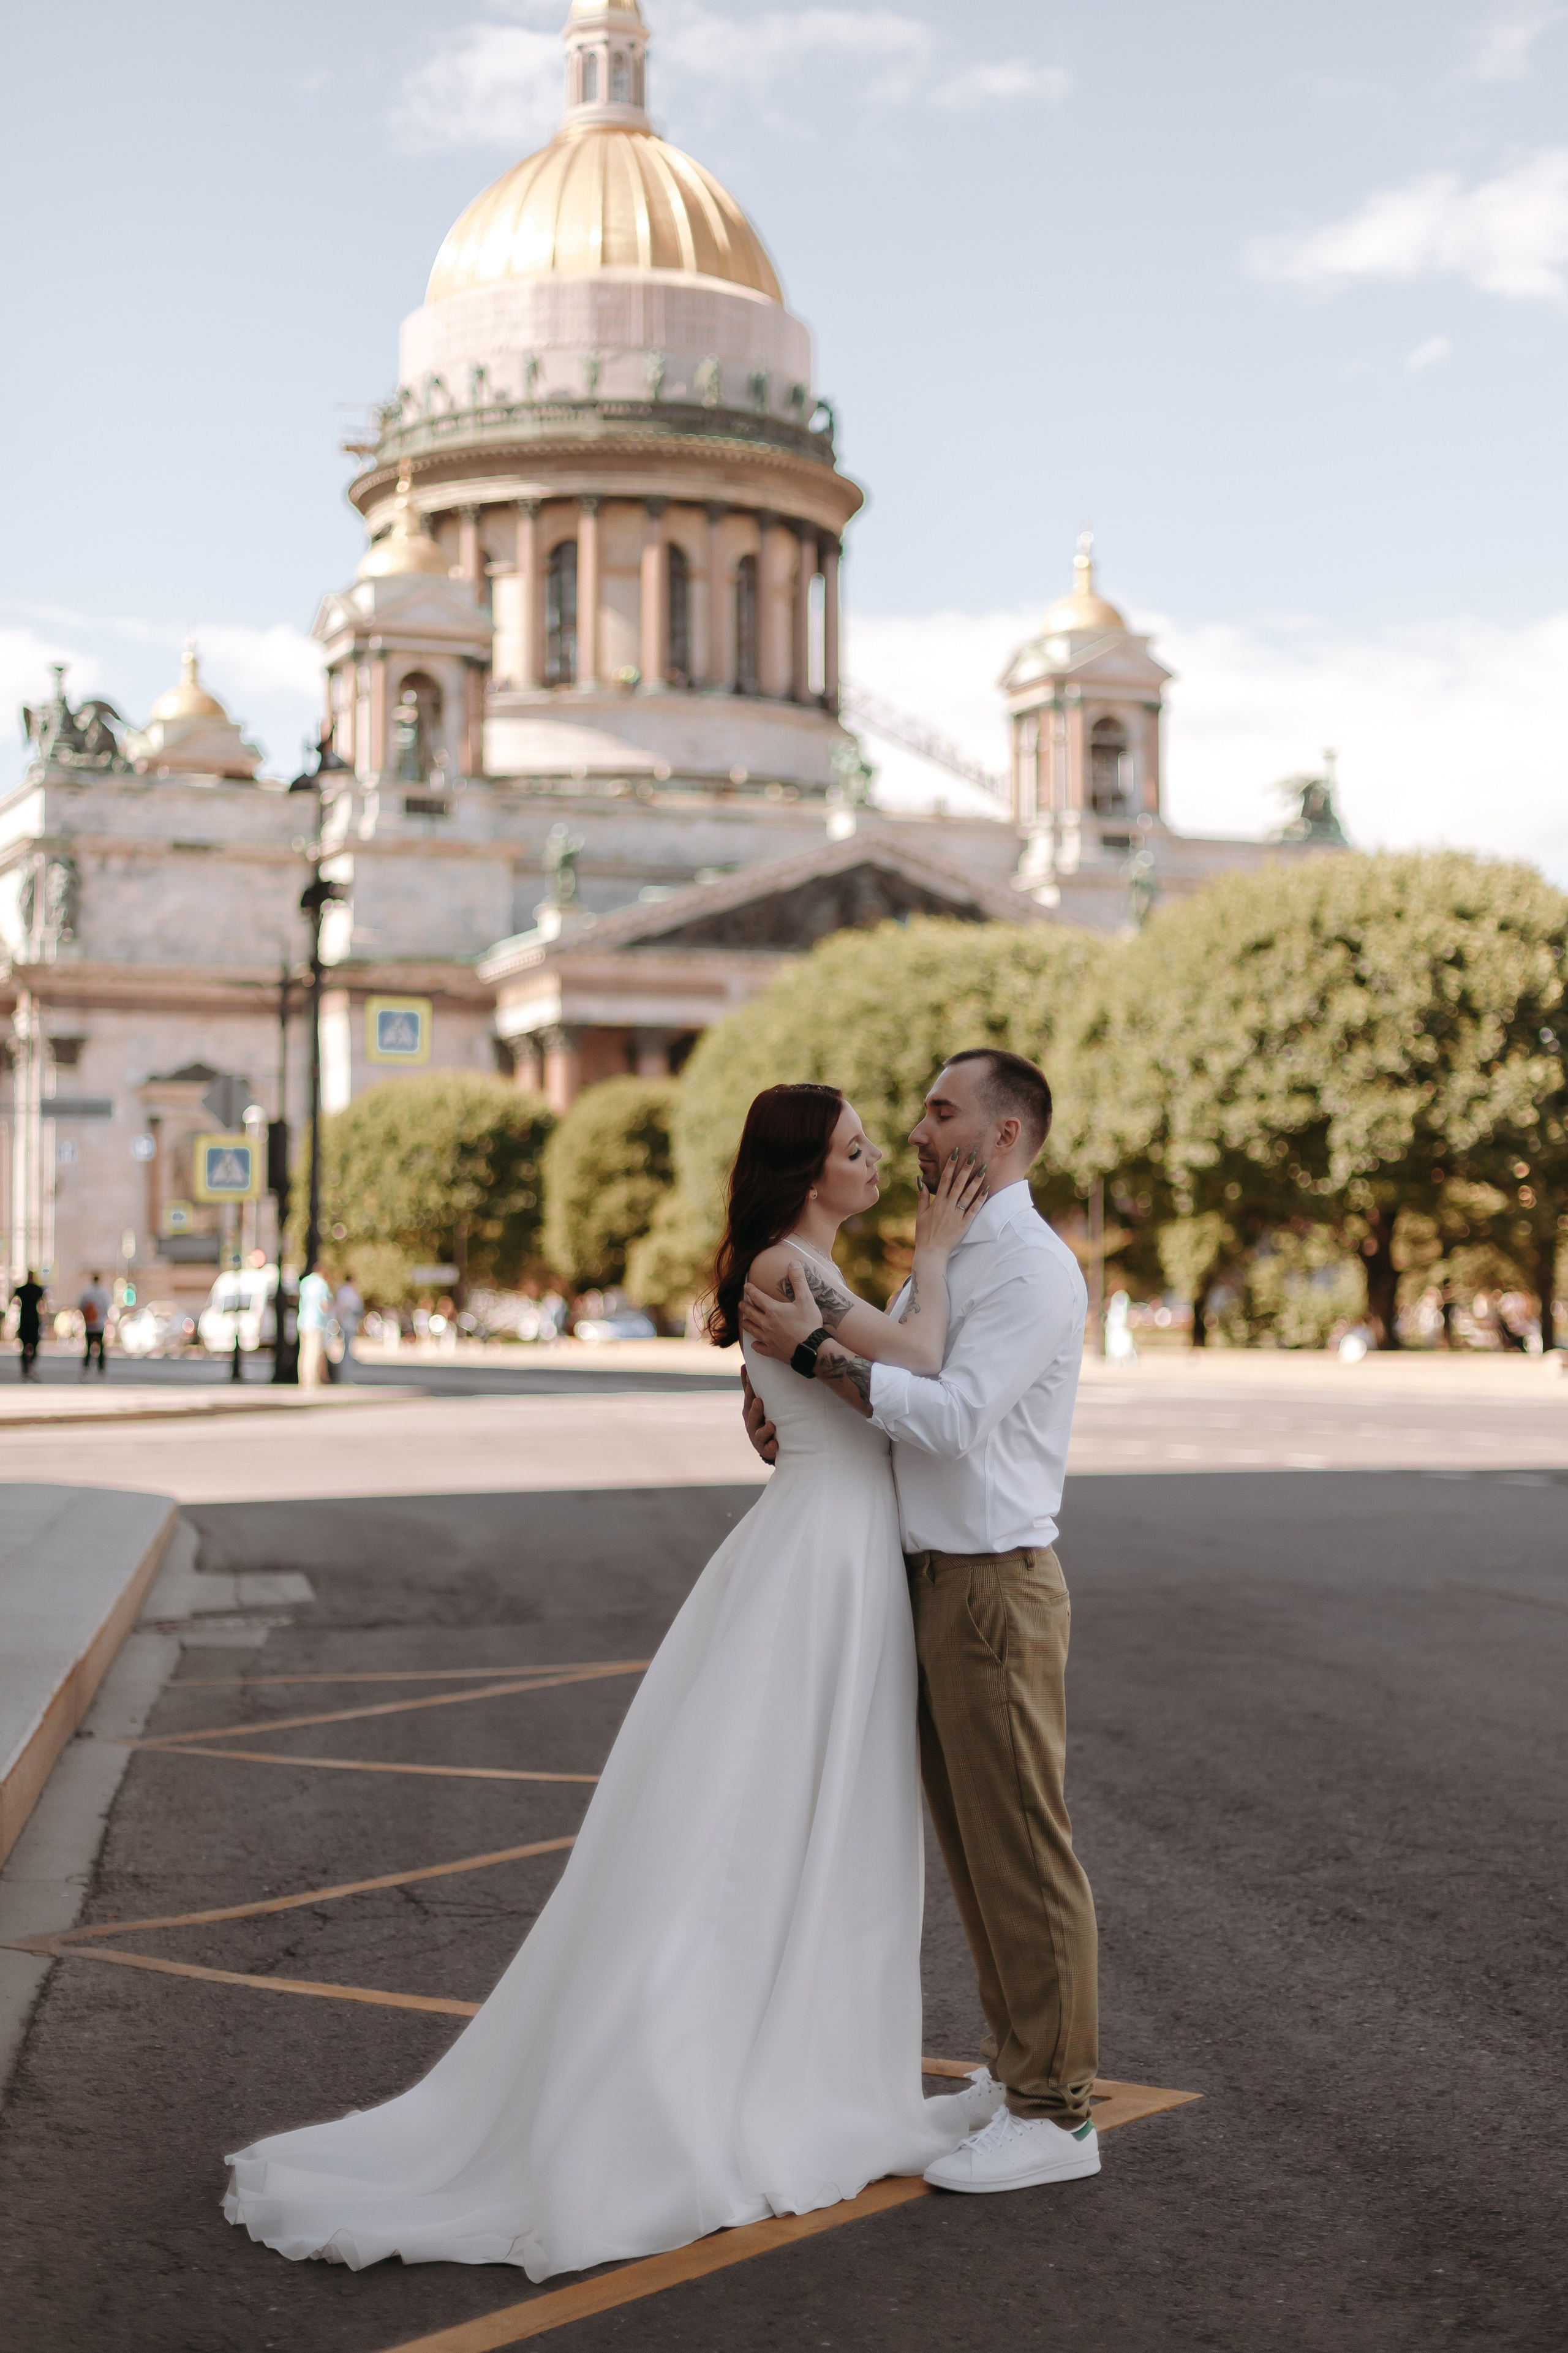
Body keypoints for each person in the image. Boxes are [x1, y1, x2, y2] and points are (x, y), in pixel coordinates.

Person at [223, 1087, 992, 2280]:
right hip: (818, 1560)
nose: (877, 1157)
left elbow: (840, 1401)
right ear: (806, 1172)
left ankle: (793, 2072)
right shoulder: (791, 1268)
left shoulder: (803, 1266)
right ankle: (695, 2091)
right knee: (760, 1825)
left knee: (807, 1822)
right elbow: (926, 1362)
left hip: (831, 1547)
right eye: (854, 1147)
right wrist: (935, 1257)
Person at [741, 1051, 1099, 2196]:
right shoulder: (951, 1254)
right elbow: (894, 1404)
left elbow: (950, 1419)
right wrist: (794, 1402)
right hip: (930, 1580)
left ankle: (1057, 2114)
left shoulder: (1031, 1269)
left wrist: (815, 1359)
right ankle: (1016, 2069)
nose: (917, 1131)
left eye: (942, 1112)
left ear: (1003, 1137)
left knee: (1025, 1853)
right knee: (978, 1851)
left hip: (992, 1584)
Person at [296, 1265, 331, 1391]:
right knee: (314, 1352)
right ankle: (311, 1380)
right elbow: (324, 1304)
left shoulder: (305, 1282)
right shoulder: (322, 1284)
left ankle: (304, 1378)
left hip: (303, 1321)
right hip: (316, 1322)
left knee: (304, 1352)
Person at [12, 1270, 45, 1381]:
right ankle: (27, 1367)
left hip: (28, 1320)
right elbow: (42, 1305)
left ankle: (27, 1367)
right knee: (29, 1344)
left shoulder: (25, 1290)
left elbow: (13, 1301)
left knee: (31, 1344)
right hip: (30, 1320)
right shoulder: (36, 1289)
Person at [79, 1271, 111, 1378]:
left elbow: (81, 1306)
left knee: (88, 1347)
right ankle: (101, 1369)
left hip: (89, 1325)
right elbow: (108, 1306)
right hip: (100, 1324)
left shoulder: (87, 1293)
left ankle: (86, 1368)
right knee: (101, 1348)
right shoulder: (104, 1293)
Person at [333, 1277, 364, 1381]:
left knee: (349, 1350)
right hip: (347, 1324)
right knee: (347, 1351)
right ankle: (344, 1376)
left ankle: (346, 1375)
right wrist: (340, 1322)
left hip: (350, 1324)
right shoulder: (346, 1291)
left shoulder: (348, 1291)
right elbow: (343, 1307)